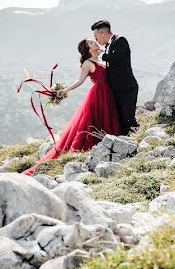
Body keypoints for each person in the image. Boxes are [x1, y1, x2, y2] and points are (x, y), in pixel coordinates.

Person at [23, 39, 121, 176]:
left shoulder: (101, 58)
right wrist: (65, 90)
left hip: (108, 93)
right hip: (98, 94)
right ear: (88, 49)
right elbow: (80, 81)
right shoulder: (88, 63)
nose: (95, 42)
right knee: (92, 120)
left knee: (106, 117)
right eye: (92, 43)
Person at [92, 20, 139, 132]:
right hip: (117, 90)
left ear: (103, 34)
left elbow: (115, 59)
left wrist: (101, 54)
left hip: (127, 88)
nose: (96, 40)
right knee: (121, 121)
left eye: (96, 36)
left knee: (129, 119)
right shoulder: (109, 46)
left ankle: (138, 142)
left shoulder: (120, 40)